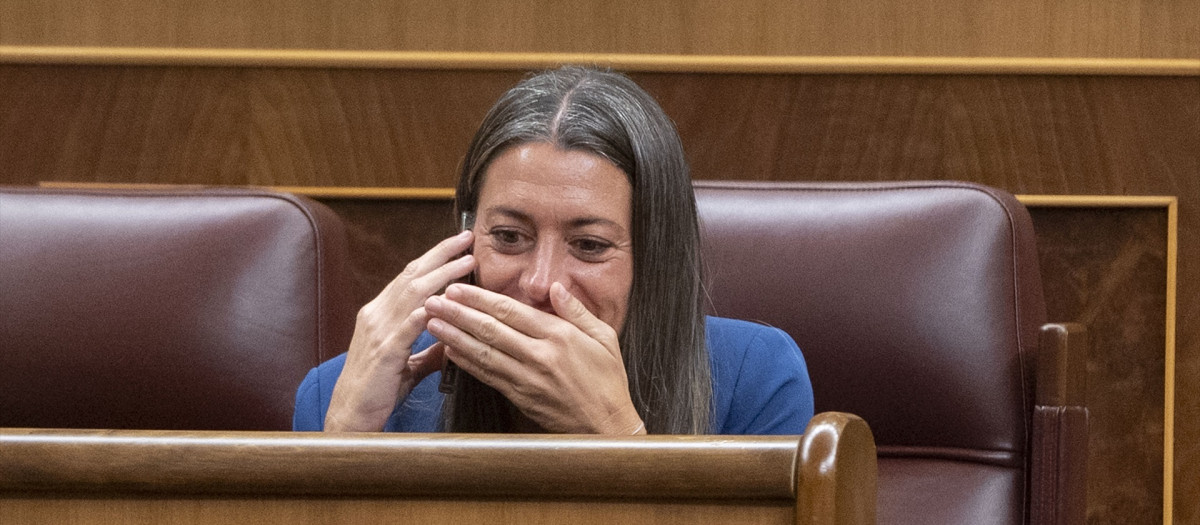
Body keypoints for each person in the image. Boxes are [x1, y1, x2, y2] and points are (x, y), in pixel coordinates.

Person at [293, 66, 813, 435]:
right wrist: (345, 438)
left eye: (589, 246)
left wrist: (613, 436)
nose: (540, 283)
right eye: (509, 238)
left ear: (654, 257)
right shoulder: (343, 392)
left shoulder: (756, 378)